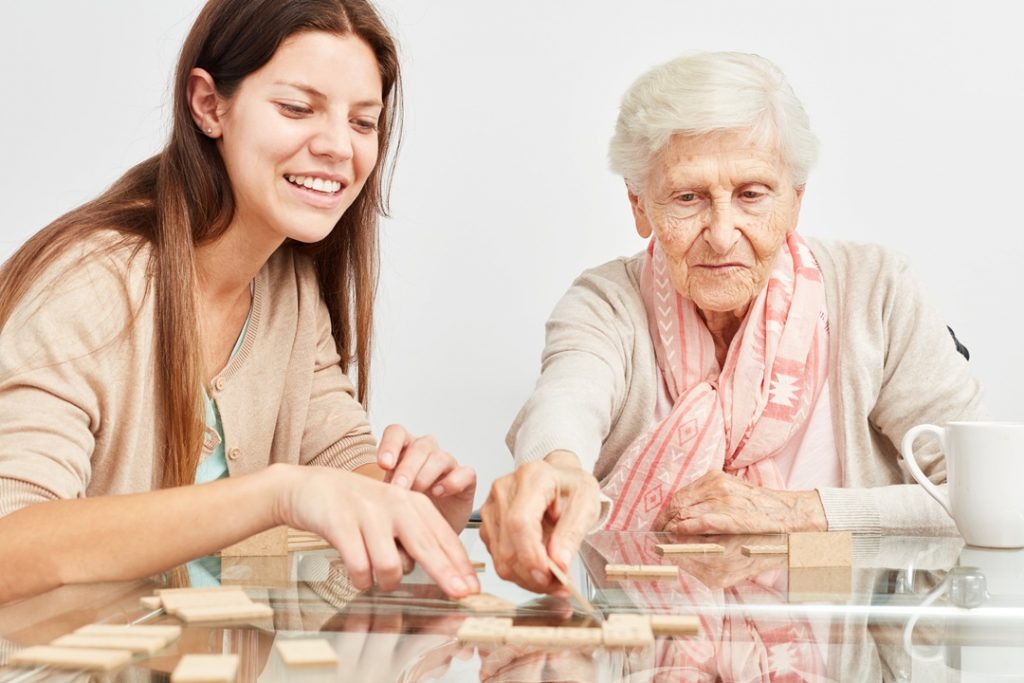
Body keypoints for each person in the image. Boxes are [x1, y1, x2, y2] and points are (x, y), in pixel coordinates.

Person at [0, 0, 479, 604]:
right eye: (297, 108)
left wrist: (412, 500)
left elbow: (342, 459)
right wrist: (276, 494)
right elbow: (8, 545)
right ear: (209, 105)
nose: (338, 146)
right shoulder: (91, 284)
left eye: (363, 122)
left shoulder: (290, 291)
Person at [481, 51, 986, 593]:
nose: (722, 234)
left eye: (751, 194)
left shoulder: (875, 291)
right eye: (688, 197)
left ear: (795, 201)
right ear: (639, 206)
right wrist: (558, 471)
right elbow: (568, 398)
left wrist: (797, 512)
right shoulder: (607, 301)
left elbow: (985, 496)